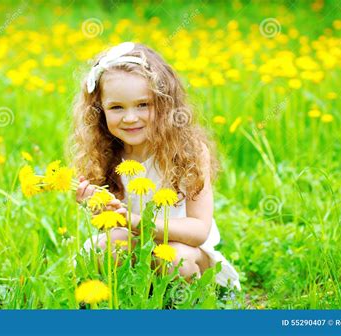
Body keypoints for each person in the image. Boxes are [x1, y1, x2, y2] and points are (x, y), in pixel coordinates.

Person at [71, 42, 240, 290]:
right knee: (103, 248)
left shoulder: (188, 152)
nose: (130, 118)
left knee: (171, 259)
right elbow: (111, 224)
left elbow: (198, 229)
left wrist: (138, 222)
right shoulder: (103, 154)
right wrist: (95, 205)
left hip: (183, 247)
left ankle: (180, 302)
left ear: (164, 104)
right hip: (135, 245)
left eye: (143, 105)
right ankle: (135, 295)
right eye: (117, 107)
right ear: (100, 111)